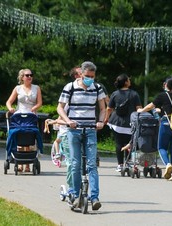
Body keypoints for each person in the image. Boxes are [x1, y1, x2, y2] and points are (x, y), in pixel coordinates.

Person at [57, 61, 106, 211]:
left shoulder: (97, 88)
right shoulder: (70, 87)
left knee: (92, 164)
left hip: (91, 130)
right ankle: (74, 194)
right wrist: (68, 121)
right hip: (74, 130)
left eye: (92, 76)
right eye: (87, 76)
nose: (90, 79)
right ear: (81, 74)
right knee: (75, 163)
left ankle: (95, 197)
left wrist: (100, 122)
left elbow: (103, 108)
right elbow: (59, 107)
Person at [137, 77, 172, 181]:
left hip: (166, 123)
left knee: (161, 147)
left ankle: (167, 164)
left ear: (166, 85)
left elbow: (150, 106)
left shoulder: (162, 96)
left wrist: (141, 110)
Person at [6, 69, 43, 172]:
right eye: (27, 75)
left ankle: (27, 164)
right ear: (22, 77)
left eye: (31, 75)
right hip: (19, 116)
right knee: (20, 136)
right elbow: (9, 102)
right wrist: (10, 109)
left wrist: (35, 107)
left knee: (30, 137)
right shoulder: (18, 88)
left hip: (31, 115)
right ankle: (20, 162)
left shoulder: (36, 88)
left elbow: (40, 102)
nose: (29, 77)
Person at [104, 74, 142, 172]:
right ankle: (128, 162)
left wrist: (106, 119)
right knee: (130, 143)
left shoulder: (115, 94)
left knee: (119, 143)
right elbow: (139, 109)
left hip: (117, 122)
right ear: (125, 82)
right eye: (128, 80)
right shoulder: (134, 94)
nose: (130, 81)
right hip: (130, 123)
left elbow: (109, 108)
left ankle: (120, 165)